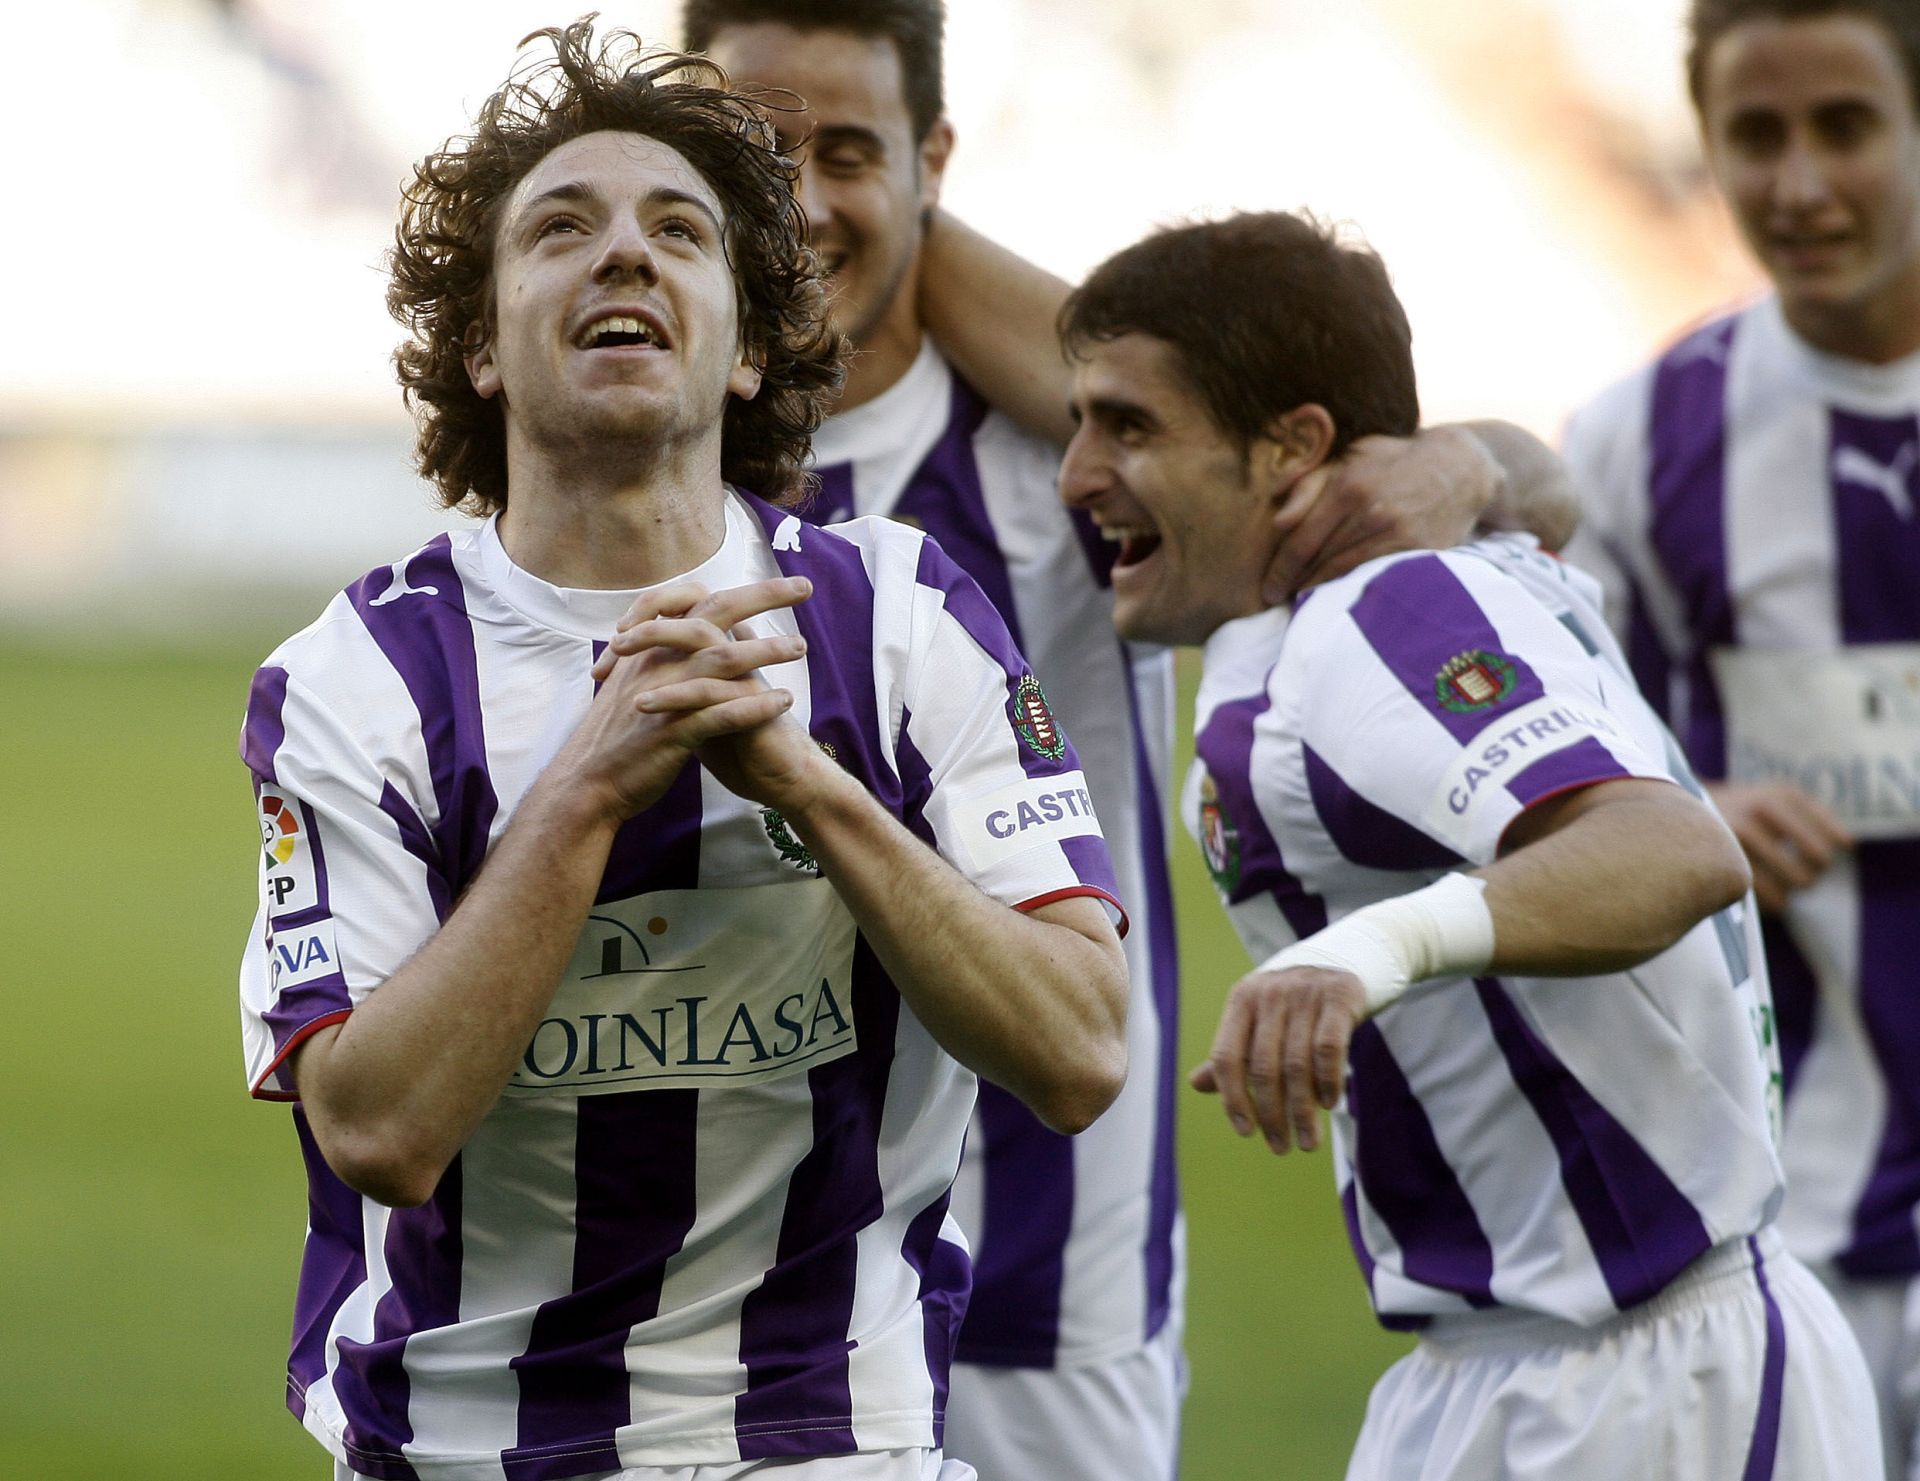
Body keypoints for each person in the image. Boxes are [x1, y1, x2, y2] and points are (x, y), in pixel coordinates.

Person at [681, 5, 1582, 1476]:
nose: (801, 199)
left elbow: (1509, 490)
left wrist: (1472, 462)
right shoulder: (634, 462)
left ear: (934, 161)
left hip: (1046, 1250)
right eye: (753, 154)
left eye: (848, 152)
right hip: (716, 1255)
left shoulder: (1074, 457)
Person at [235, 21, 1134, 1480]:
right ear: (479, 343)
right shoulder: (357, 681)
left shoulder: (902, 619)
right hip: (465, 1445)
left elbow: (1080, 1047)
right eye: (561, 229)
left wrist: (807, 783)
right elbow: (378, 1125)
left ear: (752, 344)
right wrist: (590, 783)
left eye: (679, 232)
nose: (625, 258)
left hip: (833, 1441)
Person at [1059, 208, 1881, 1478]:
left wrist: (1368, 948)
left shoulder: (1377, 612)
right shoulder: (1389, 592)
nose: (1077, 473)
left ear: (1293, 448)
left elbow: (1676, 848)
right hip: (1495, 1365)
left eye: (1129, 425)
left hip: (1649, 1377)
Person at [1562, 2, 1920, 1472]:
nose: (1797, 183)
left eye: (1844, 126)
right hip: (1795, 1229)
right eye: (1753, 136)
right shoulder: (1645, 443)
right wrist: (1687, 804)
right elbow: (1565, 778)